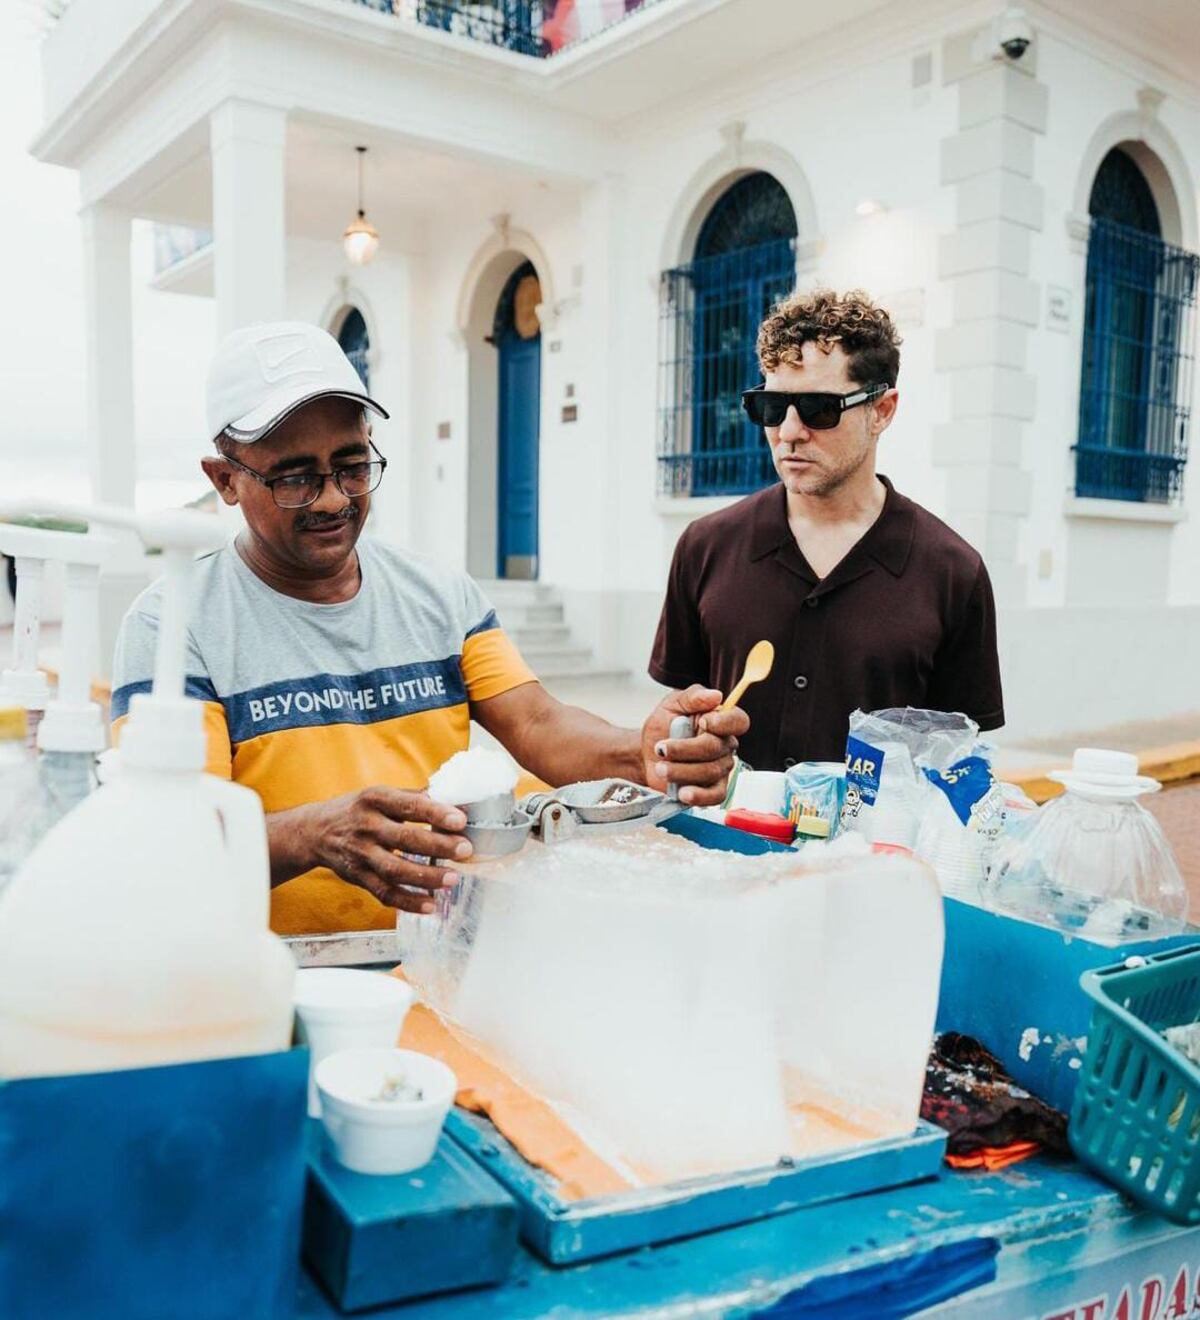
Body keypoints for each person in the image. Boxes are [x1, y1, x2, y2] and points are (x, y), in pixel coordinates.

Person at [111, 323, 746, 935]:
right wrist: (315, 834)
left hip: (438, 953)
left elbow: (536, 723)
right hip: (275, 974)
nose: (333, 499)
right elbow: (174, 839)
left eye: (352, 465)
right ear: (225, 479)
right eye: (295, 478)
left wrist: (643, 752)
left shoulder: (437, 594)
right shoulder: (172, 628)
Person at [649, 288, 1003, 773]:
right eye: (772, 407)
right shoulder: (705, 546)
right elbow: (681, 714)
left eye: (819, 408)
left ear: (882, 411)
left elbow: (958, 759)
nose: (789, 431)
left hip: (878, 827)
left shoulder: (952, 571)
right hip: (726, 824)